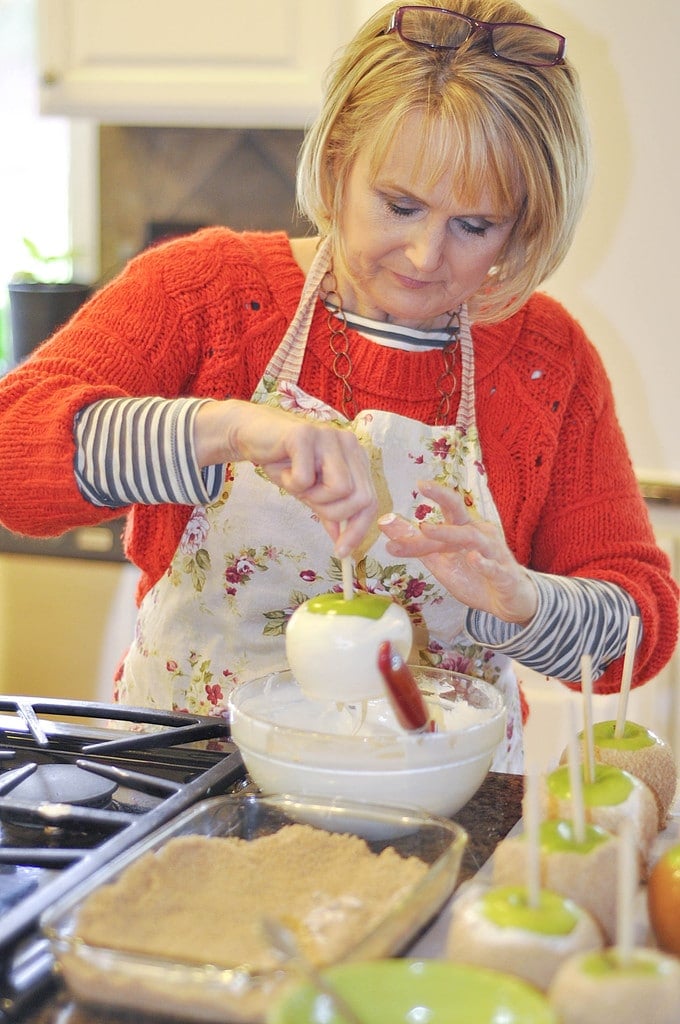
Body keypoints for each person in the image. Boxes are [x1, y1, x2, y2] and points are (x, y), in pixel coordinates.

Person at [0, 0, 676, 773]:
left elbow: (638, 634)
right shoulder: (207, 293)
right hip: (187, 787)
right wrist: (224, 431)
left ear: (524, 225)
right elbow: (11, 460)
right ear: (335, 164)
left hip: (439, 805)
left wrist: (524, 602)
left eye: (475, 225)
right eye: (401, 205)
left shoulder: (543, 358)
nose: (425, 255)